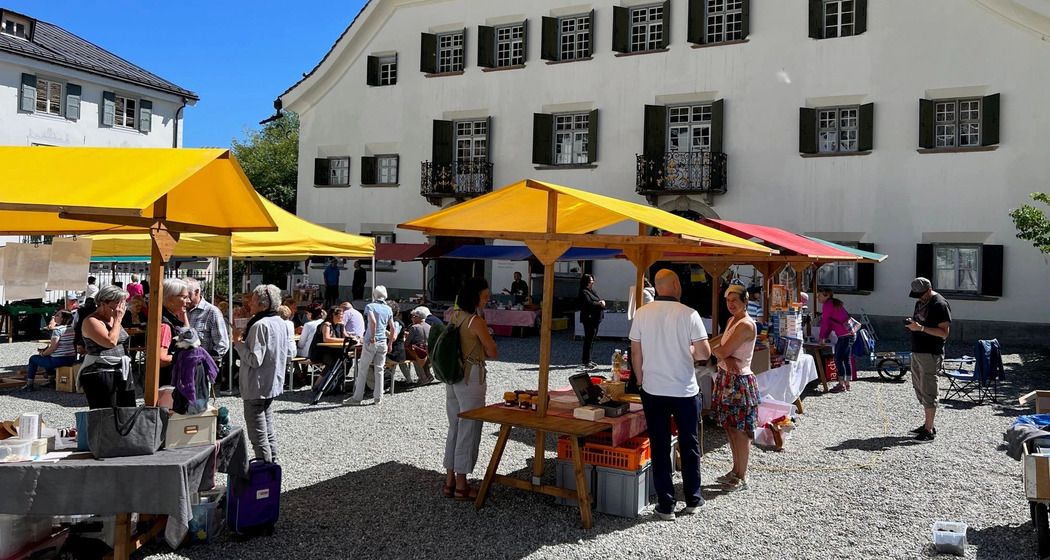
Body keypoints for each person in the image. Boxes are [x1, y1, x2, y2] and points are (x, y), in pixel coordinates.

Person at [629, 269, 711, 520]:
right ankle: (693, 498)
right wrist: (689, 352)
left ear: (657, 287)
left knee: (660, 445)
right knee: (689, 444)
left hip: (653, 388)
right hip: (684, 390)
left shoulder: (642, 313)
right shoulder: (689, 314)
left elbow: (635, 353)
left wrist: (640, 380)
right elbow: (704, 353)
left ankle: (666, 504)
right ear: (675, 284)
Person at [442, 277, 498, 501]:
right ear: (475, 297)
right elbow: (493, 352)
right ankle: (462, 485)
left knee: (455, 427)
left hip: (453, 375)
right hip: (471, 376)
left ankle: (450, 481)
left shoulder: (454, 316)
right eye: (485, 295)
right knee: (469, 428)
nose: (488, 299)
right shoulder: (476, 321)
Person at [232, 284, 292, 463]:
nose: (249, 304)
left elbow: (254, 360)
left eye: (253, 300)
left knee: (258, 435)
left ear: (264, 305)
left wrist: (237, 342)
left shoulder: (260, 325)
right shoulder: (280, 322)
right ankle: (272, 464)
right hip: (271, 382)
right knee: (267, 428)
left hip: (256, 385)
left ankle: (265, 468)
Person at [712, 283, 760, 492]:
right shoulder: (732, 320)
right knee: (730, 428)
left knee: (740, 431)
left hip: (738, 381)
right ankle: (735, 470)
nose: (730, 304)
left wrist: (722, 353)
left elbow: (721, 350)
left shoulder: (746, 325)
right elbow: (721, 349)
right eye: (728, 300)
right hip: (727, 377)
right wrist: (722, 353)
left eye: (734, 300)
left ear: (745, 301)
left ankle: (742, 475)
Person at [905, 277, 951, 442]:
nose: (919, 298)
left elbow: (944, 332)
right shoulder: (920, 302)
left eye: (921, 295)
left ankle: (929, 430)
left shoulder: (940, 304)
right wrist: (913, 324)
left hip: (931, 352)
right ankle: (928, 424)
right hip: (918, 350)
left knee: (929, 389)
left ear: (929, 290)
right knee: (919, 388)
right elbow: (920, 322)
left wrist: (921, 328)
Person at [79, 285, 135, 409]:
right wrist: (118, 320)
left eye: (123, 303)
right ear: (103, 304)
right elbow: (110, 342)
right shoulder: (92, 321)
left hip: (121, 370)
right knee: (106, 414)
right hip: (101, 372)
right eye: (117, 303)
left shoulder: (112, 319)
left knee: (127, 411)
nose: (121, 308)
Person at [344, 286, 395, 406]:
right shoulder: (388, 309)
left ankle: (357, 397)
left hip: (371, 341)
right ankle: (378, 397)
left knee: (363, 369)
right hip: (383, 341)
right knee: (379, 369)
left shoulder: (370, 306)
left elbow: (373, 322)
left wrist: (372, 337)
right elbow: (392, 327)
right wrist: (390, 343)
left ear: (374, 295)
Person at [21, 310, 76, 391]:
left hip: (58, 359)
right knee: (47, 356)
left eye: (57, 315)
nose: (55, 317)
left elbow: (53, 347)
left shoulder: (57, 330)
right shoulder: (71, 328)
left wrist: (43, 354)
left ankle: (29, 384)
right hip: (71, 357)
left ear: (62, 318)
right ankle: (51, 381)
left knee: (33, 359)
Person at [817, 288, 858, 393]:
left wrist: (822, 337)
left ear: (826, 295)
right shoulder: (835, 303)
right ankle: (847, 383)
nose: (818, 298)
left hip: (844, 336)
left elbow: (825, 322)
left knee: (838, 359)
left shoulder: (827, 305)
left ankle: (841, 384)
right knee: (846, 359)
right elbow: (831, 323)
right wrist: (825, 336)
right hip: (851, 333)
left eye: (819, 296)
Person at [184, 277, 230, 362]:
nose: (185, 299)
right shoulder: (180, 310)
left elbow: (222, 345)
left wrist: (204, 361)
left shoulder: (211, 312)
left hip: (201, 365)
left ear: (196, 292)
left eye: (187, 295)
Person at [159, 279, 191, 387]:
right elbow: (162, 359)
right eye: (184, 297)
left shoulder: (170, 318)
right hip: (168, 382)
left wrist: (183, 313)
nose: (188, 301)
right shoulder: (165, 325)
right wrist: (186, 356)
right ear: (170, 298)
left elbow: (187, 335)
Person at [578, 274, 605, 368]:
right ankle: (586, 360)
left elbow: (596, 300)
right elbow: (589, 304)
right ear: (587, 282)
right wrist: (600, 304)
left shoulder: (591, 291)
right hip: (589, 319)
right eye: (591, 281)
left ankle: (589, 359)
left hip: (595, 319)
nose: (593, 282)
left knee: (592, 340)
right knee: (588, 340)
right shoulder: (583, 292)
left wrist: (600, 302)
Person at [309, 306, 346, 373]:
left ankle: (337, 378)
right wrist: (344, 340)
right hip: (321, 352)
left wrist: (352, 338)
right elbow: (326, 339)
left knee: (347, 361)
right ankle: (322, 380)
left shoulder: (340, 324)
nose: (343, 316)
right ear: (334, 315)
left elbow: (345, 336)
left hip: (333, 351)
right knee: (335, 361)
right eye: (341, 314)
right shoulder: (326, 325)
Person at [406, 306, 434, 385]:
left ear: (418, 318)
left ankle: (423, 377)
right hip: (429, 350)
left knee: (414, 356)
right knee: (421, 356)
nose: (412, 318)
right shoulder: (428, 326)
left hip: (420, 351)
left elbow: (407, 342)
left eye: (413, 317)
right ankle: (428, 374)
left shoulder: (415, 327)